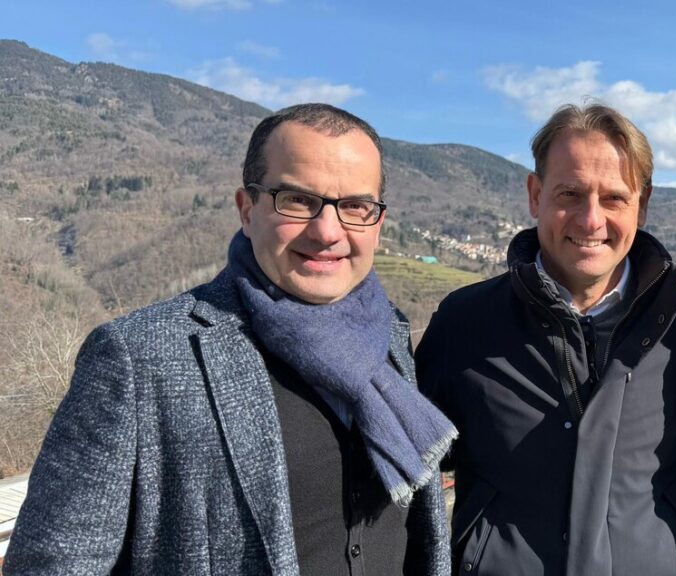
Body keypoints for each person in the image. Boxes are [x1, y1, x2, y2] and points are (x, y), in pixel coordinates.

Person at [5, 103, 456, 575]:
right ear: (247, 209)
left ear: (378, 223)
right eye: (297, 200)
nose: (328, 231)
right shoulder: (138, 357)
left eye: (355, 207)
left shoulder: (391, 333)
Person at [416, 103, 676, 576]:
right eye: (570, 194)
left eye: (614, 198)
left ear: (642, 205)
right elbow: (413, 473)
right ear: (535, 195)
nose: (590, 220)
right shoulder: (464, 323)